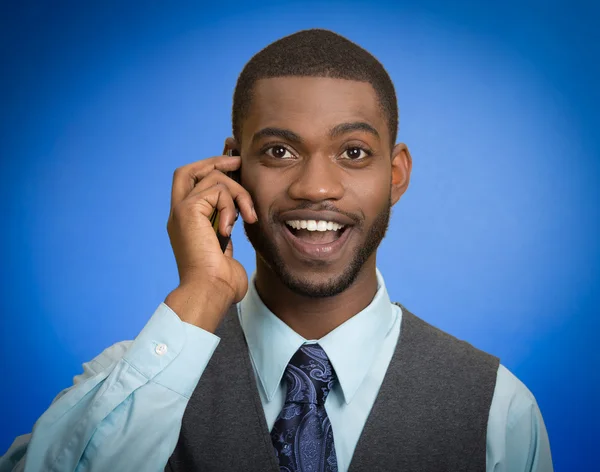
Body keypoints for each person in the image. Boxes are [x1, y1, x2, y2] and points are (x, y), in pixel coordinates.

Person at [0, 29, 553, 472]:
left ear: (397, 174)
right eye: (280, 150)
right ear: (231, 165)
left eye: (354, 151)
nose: (316, 187)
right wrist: (203, 291)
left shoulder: (497, 411)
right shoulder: (133, 379)